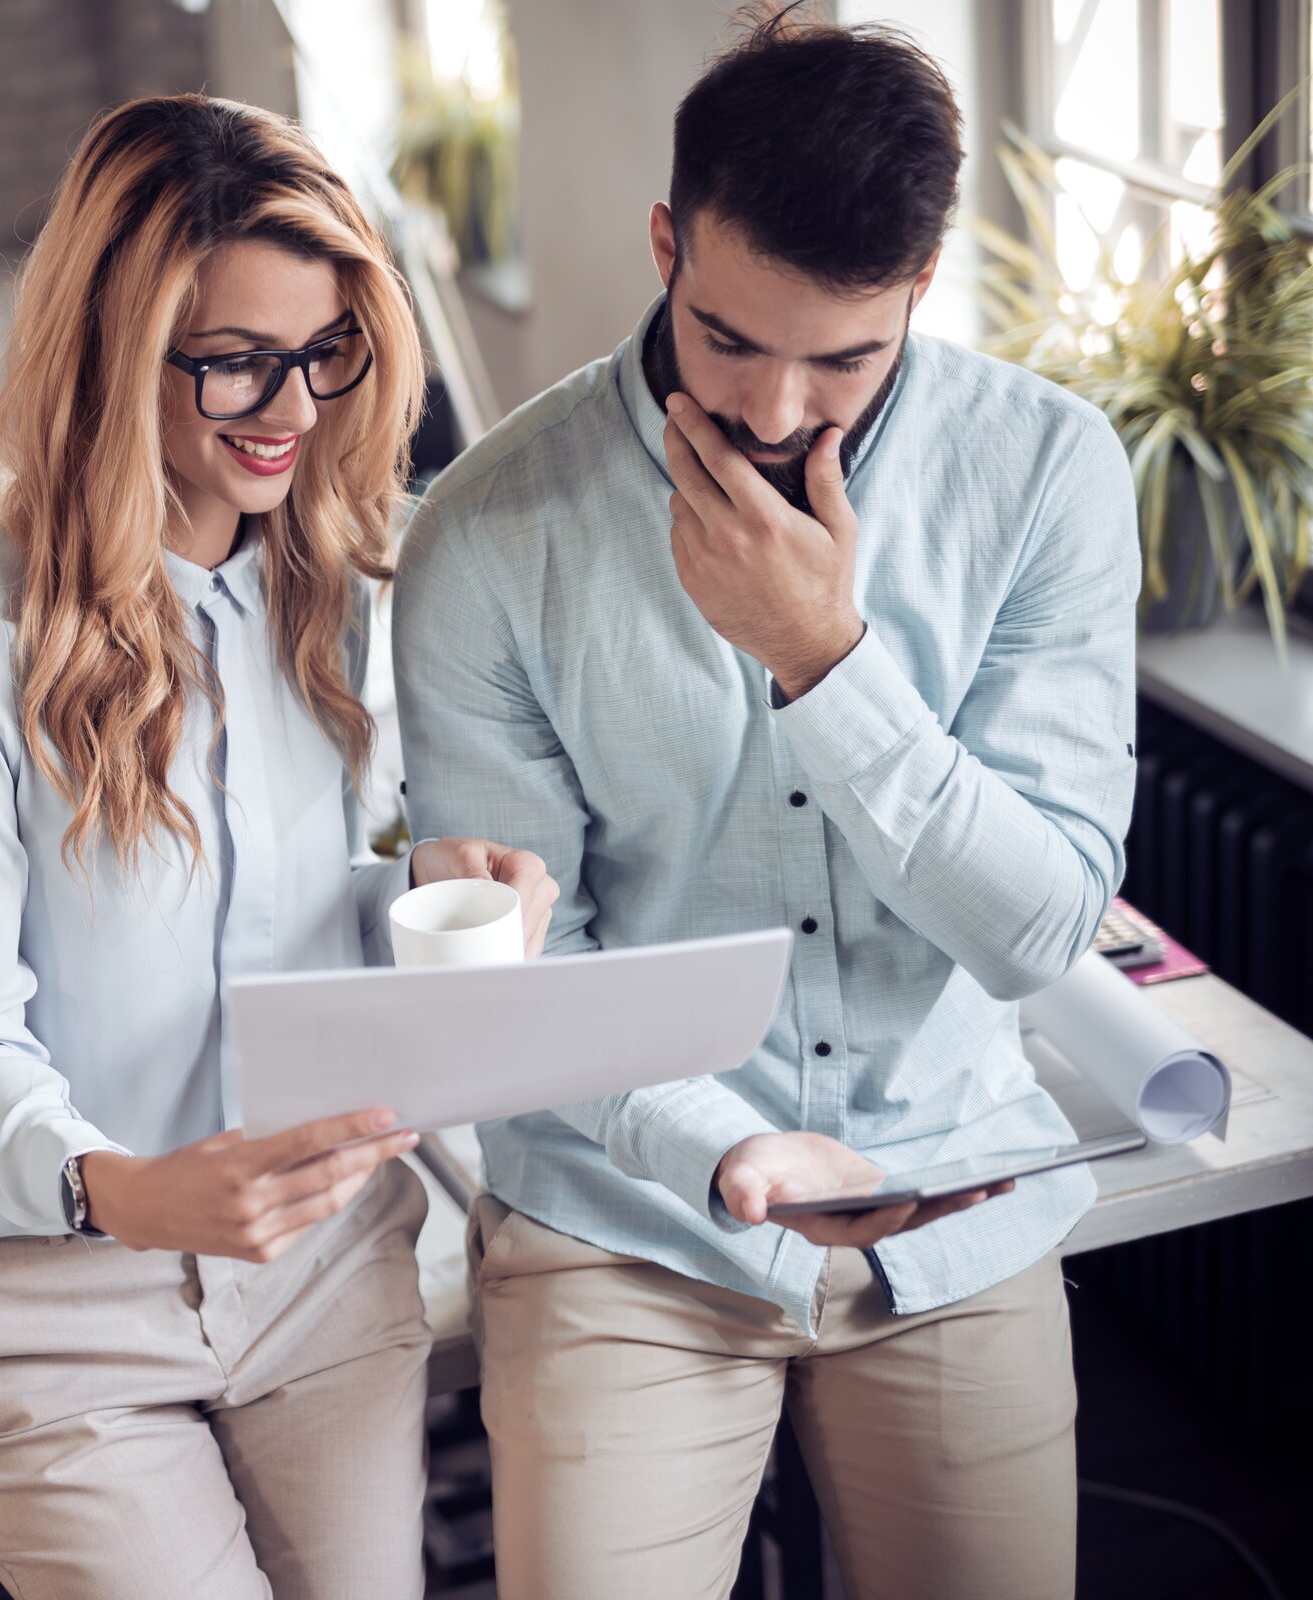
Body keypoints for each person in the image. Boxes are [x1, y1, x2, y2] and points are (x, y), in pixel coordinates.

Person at [394, 14, 1139, 1599]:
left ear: (920, 289)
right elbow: (523, 965)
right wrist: (727, 1147)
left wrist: (825, 660)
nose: (781, 408)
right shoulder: (481, 535)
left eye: (844, 357)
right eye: (729, 337)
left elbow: (1040, 931)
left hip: (957, 1189)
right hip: (624, 1215)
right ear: (666, 243)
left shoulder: (1049, 475)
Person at [0, 95, 558, 1600]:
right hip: (55, 1309)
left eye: (325, 352)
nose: (292, 408)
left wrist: (424, 897)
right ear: (112, 355)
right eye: (236, 358)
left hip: (321, 1274)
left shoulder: (333, 587)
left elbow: (289, 921)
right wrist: (126, 1188)